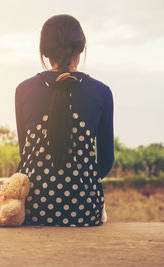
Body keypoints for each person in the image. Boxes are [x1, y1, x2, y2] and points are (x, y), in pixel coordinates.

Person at [15, 14, 114, 227]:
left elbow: (25, 156)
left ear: (45, 52)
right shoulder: (101, 92)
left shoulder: (23, 90)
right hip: (86, 210)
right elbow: (106, 161)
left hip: (34, 209)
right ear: (81, 48)